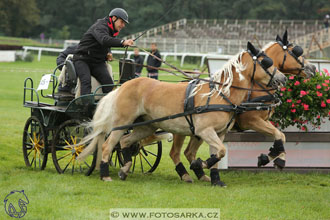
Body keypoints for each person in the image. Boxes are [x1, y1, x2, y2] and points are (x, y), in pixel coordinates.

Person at [73, 8, 134, 95]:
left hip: (97, 62)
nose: (123, 25)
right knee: (86, 82)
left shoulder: (111, 30)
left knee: (109, 84)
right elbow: (104, 40)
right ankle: (85, 107)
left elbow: (107, 43)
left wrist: (109, 53)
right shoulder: (100, 26)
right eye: (122, 22)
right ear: (114, 18)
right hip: (82, 59)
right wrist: (123, 42)